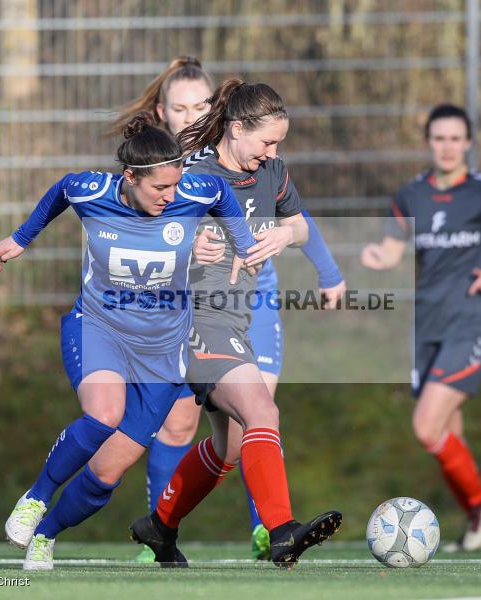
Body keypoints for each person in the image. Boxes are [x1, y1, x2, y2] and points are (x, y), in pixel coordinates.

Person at [0, 113, 259, 571]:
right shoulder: (92, 192)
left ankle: (46, 533)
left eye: (175, 186)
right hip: (101, 328)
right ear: (130, 177)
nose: (170, 196)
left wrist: (243, 243)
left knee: (106, 474)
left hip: (163, 350)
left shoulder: (190, 194)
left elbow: (219, 193)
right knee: (103, 414)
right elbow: (61, 189)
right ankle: (35, 497)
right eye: (160, 188)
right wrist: (22, 238)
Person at [114, 57, 346, 563]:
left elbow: (301, 225)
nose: (272, 153)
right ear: (237, 129)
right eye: (266, 143)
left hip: (237, 317)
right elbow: (140, 233)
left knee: (230, 447)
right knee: (262, 409)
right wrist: (188, 243)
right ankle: (281, 530)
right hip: (194, 320)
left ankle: (158, 526)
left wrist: (288, 232)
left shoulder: (272, 173)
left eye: (278, 144)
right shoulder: (193, 175)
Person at [361, 104, 481, 551]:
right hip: (426, 327)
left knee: (427, 427)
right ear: (429, 142)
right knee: (449, 435)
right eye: (439, 138)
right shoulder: (410, 196)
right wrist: (375, 259)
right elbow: (392, 249)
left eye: (455, 138)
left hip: (470, 324)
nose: (447, 146)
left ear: (468, 143)